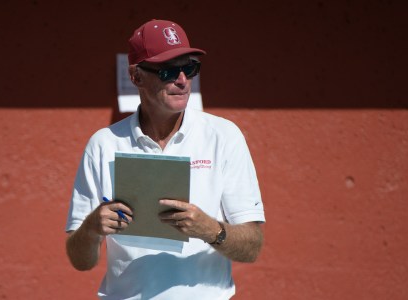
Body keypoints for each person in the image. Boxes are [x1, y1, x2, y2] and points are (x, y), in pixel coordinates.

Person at [65, 19, 265, 299]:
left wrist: (211, 230)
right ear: (136, 77)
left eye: (190, 67)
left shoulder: (224, 136)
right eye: (169, 70)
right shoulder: (103, 144)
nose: (182, 80)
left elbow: (253, 246)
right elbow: (80, 261)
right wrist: (92, 228)